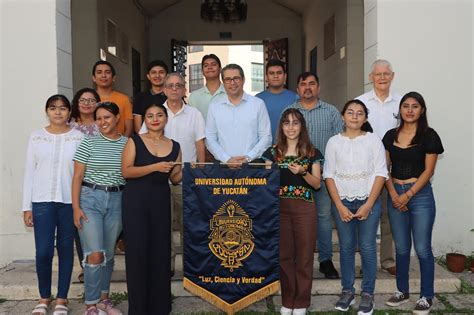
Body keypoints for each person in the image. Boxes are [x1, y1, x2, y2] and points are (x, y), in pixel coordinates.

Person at [324, 100, 387, 315]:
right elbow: (329, 175)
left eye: (359, 113)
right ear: (342, 116)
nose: (354, 116)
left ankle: (368, 294)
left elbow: (381, 173)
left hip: (368, 200)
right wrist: (339, 205)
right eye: (350, 112)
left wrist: (369, 205)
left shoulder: (373, 141)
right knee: (347, 247)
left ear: (365, 118)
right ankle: (347, 291)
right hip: (342, 201)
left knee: (368, 247)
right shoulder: (333, 142)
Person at [22, 94, 83, 315]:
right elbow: (30, 170)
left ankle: (62, 299)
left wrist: (79, 204)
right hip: (41, 202)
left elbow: (81, 172)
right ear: (46, 111)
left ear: (69, 112)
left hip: (68, 201)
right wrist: (26, 206)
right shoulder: (37, 137)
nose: (58, 112)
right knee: (44, 251)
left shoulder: (78, 137)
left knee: (66, 250)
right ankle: (44, 296)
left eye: (63, 108)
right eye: (53, 108)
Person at [383, 92, 444, 315]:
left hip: (420, 196)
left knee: (422, 248)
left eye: (415, 106)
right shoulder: (390, 135)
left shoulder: (429, 136)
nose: (409, 110)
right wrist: (393, 193)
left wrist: (407, 195)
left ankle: (427, 296)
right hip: (394, 194)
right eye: (405, 106)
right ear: (400, 109)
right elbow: (384, 169)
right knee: (400, 247)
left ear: (422, 110)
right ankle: (402, 291)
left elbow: (429, 171)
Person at [122, 103, 182, 315]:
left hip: (160, 200)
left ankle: (160, 307)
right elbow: (126, 172)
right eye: (150, 116)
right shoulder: (135, 141)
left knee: (160, 252)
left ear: (166, 119)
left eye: (159, 115)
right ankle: (138, 308)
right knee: (138, 253)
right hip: (136, 201)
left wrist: (185, 171)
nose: (155, 119)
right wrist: (155, 167)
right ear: (145, 120)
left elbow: (174, 179)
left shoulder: (175, 145)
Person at [262, 108, 322, 315]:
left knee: (304, 256)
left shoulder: (312, 152)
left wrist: (303, 172)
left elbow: (316, 184)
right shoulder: (272, 152)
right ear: (281, 127)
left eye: (295, 123)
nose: (291, 127)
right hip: (279, 208)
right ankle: (288, 301)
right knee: (284, 256)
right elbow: (266, 182)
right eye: (286, 123)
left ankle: (302, 303)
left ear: (302, 126)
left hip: (305, 208)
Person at [72, 102, 127, 315]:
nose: (103, 122)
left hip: (117, 199)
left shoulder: (127, 144)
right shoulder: (88, 143)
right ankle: (91, 304)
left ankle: (104, 300)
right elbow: (77, 177)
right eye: (99, 118)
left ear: (117, 118)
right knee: (95, 254)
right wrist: (76, 207)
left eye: (107, 117)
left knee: (109, 254)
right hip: (90, 199)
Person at [287, 71, 343, 279]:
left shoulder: (331, 112)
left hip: (324, 174)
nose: (307, 88)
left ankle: (325, 260)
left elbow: (341, 142)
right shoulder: (289, 111)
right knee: (294, 219)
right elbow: (282, 142)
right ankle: (296, 259)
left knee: (323, 218)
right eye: (303, 84)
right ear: (298, 89)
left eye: (312, 84)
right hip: (294, 176)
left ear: (318, 87)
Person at [356, 59, 401, 275]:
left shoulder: (401, 103)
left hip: (393, 170)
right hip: (365, 169)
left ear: (392, 76)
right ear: (370, 77)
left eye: (386, 74)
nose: (382, 78)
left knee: (388, 216)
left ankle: (388, 260)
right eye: (378, 74)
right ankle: (366, 261)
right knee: (366, 215)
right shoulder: (361, 103)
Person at [205, 63, 272, 165]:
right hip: (223, 166)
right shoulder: (214, 106)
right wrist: (227, 159)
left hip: (252, 165)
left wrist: (248, 158)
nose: (232, 83)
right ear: (223, 82)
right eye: (228, 79)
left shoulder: (258, 104)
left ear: (243, 79)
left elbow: (266, 137)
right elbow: (210, 138)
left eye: (236, 78)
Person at [70, 88, 101, 283]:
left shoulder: (104, 124)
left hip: (99, 183)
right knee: (80, 227)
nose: (87, 103)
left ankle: (100, 262)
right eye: (83, 100)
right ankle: (84, 266)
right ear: (76, 103)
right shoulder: (68, 126)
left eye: (92, 100)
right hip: (74, 181)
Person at [256, 59, 298, 141]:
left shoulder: (295, 98)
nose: (275, 76)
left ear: (285, 76)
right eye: (272, 73)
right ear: (266, 77)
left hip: (290, 147)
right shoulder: (257, 99)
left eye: (279, 73)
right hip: (264, 149)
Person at [92, 60, 133, 137]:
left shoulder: (124, 99)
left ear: (113, 78)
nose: (103, 75)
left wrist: (121, 146)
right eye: (99, 72)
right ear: (94, 78)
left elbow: (129, 128)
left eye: (107, 72)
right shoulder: (89, 99)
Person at [133, 60, 168, 133]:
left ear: (167, 76)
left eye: (161, 72)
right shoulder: (140, 97)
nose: (157, 76)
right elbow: (138, 127)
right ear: (148, 76)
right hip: (147, 140)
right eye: (153, 72)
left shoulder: (171, 97)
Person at [189, 54, 226, 120]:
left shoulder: (229, 93)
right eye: (206, 65)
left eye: (213, 64)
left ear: (220, 69)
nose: (209, 67)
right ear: (202, 71)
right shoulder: (194, 97)